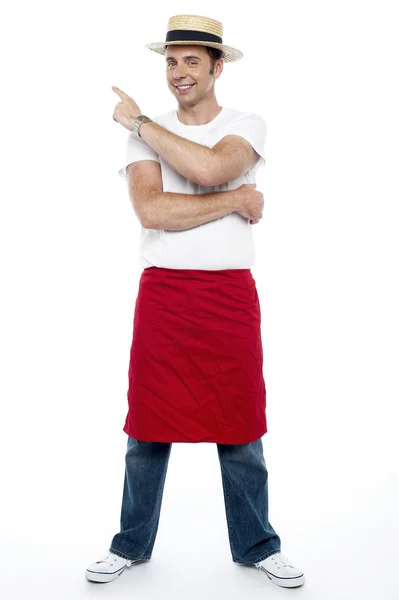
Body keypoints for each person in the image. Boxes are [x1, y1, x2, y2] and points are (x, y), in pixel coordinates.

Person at [85, 14, 305, 588]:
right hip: (164, 296)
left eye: (190, 61)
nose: (178, 73)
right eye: (170, 61)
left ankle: (257, 544)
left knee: (241, 428)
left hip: (229, 297)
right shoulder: (146, 131)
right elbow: (152, 211)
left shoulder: (246, 123)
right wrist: (236, 199)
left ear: (216, 66)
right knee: (147, 430)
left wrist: (138, 123)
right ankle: (130, 543)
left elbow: (209, 165)